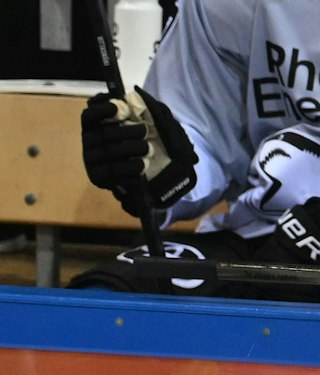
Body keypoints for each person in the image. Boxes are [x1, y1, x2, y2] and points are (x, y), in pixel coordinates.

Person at [74, 0, 320, 298]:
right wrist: (161, 169)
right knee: (103, 301)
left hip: (303, 241)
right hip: (268, 234)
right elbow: (202, 132)